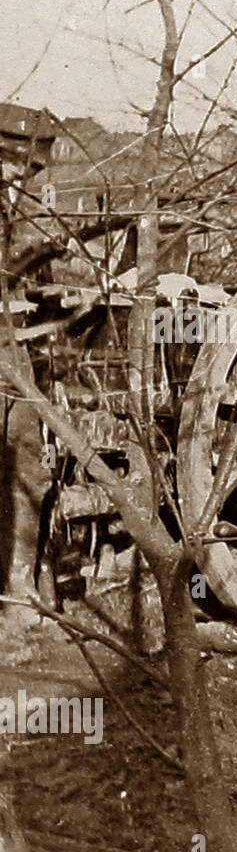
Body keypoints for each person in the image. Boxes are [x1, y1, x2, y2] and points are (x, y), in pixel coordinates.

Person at [0, 104, 57, 625]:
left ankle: (21, 590)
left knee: (27, 462)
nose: (22, 175)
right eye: (16, 163)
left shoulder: (22, 204)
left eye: (31, 168)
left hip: (13, 347)